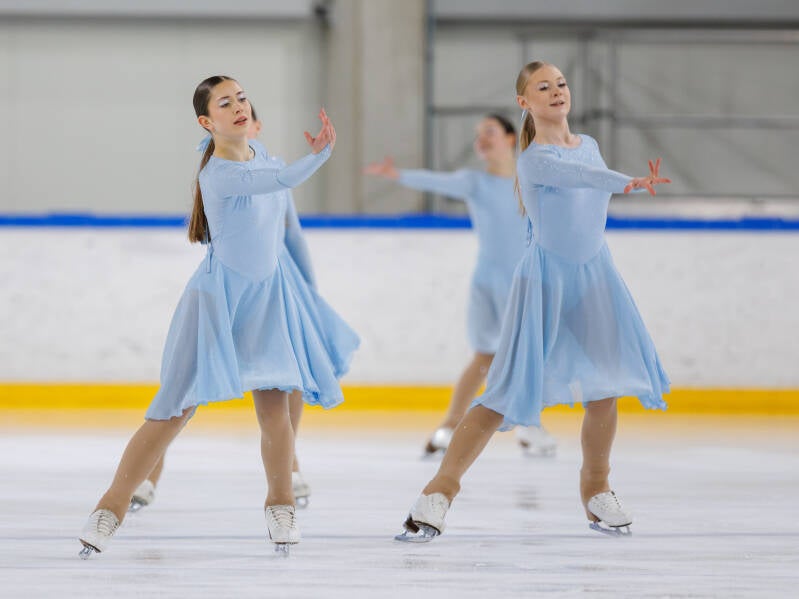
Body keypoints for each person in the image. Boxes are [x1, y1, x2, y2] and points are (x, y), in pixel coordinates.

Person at [78, 75, 358, 558]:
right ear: (208, 123)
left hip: (268, 301)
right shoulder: (220, 174)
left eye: (242, 98)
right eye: (225, 103)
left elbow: (283, 211)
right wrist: (322, 152)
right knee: (173, 411)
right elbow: (285, 179)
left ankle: (280, 503)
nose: (238, 106)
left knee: (275, 410)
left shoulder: (261, 154)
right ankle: (110, 506)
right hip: (218, 302)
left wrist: (304, 290)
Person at [396, 61, 670, 542]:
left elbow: (591, 169)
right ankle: (437, 493)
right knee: (505, 392)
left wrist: (621, 179)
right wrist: (629, 182)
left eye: (561, 83)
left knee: (605, 388)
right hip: (544, 280)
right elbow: (586, 178)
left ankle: (596, 487)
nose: (556, 91)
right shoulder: (533, 158)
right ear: (525, 102)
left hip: (595, 277)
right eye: (543, 87)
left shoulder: (588, 144)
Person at [129, 105, 314, 513]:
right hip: (230, 287)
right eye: (232, 109)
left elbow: (293, 235)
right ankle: (148, 475)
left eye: (249, 112)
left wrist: (310, 293)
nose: (246, 120)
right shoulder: (230, 172)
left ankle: (290, 467)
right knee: (181, 393)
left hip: (276, 286)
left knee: (285, 382)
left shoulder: (272, 170)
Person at [364, 115, 557, 458]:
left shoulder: (532, 181)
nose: (481, 139)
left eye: (489, 132)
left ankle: (529, 426)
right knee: (484, 356)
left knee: (527, 356)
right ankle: (449, 426)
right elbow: (438, 181)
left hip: (524, 281)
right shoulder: (475, 182)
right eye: (477, 135)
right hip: (487, 281)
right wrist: (399, 175)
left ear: (511, 138)